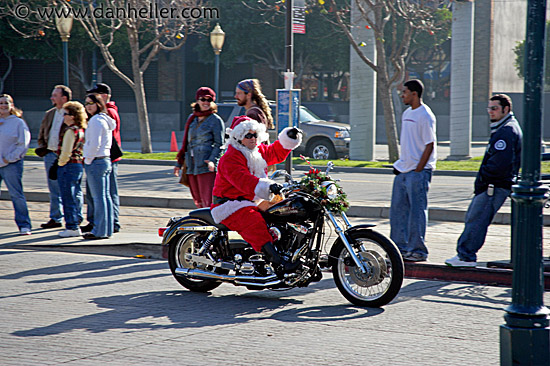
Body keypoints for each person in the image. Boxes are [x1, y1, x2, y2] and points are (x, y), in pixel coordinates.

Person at [210, 115, 302, 272]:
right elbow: (244, 181)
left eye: (255, 135)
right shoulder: (230, 157)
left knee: (287, 209)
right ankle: (276, 261)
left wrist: (289, 138)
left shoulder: (256, 151)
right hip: (231, 203)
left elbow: (274, 152)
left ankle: (289, 250)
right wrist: (269, 186)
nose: (253, 139)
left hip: (254, 198)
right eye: (248, 135)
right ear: (239, 137)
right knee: (253, 221)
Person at [445, 94, 522, 267]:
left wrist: (483, 181)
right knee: (474, 218)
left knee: (476, 219)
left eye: (494, 108)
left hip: (493, 186)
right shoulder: (505, 128)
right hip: (493, 185)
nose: (490, 112)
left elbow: (499, 164)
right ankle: (465, 255)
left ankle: (466, 257)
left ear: (506, 109)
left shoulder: (506, 131)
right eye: (489, 108)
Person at [390, 79, 437, 262]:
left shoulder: (425, 115)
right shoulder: (407, 113)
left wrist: (418, 169)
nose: (402, 95)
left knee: (417, 212)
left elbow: (430, 144)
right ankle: (398, 249)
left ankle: (418, 250)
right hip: (403, 170)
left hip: (418, 172)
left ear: (415, 94)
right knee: (398, 211)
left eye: (405, 92)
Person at [81, 83, 122, 233]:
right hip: (105, 159)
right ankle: (106, 228)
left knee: (101, 197)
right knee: (105, 196)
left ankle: (102, 228)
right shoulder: (105, 116)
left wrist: (88, 160)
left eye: (92, 102)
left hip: (99, 159)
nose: (88, 106)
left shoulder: (98, 119)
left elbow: (94, 143)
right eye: (86, 103)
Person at [174, 87, 225, 208]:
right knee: (197, 199)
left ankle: (210, 224)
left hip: (206, 165)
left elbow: (220, 144)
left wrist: (213, 160)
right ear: (197, 100)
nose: (206, 102)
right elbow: (186, 143)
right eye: (203, 99)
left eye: (209, 100)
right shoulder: (192, 118)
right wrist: (179, 163)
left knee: (208, 200)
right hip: (191, 164)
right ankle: (201, 223)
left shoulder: (215, 120)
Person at [37, 85, 72, 229]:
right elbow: (43, 130)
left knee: (70, 188)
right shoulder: (50, 113)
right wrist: (42, 147)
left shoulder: (73, 112)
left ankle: (75, 218)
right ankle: (56, 218)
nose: (51, 98)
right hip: (50, 155)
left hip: (67, 156)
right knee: (54, 189)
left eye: (55, 95)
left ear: (64, 98)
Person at [0, 94, 32, 235]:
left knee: (16, 194)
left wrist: (10, 158)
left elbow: (23, 143)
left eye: (6, 103)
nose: (3, 106)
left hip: (10, 164)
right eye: (0, 103)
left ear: (12, 105)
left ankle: (24, 225)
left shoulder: (18, 123)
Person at [56, 101, 87, 238]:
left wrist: (60, 164)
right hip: (78, 164)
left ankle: (72, 226)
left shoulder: (70, 131)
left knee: (67, 197)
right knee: (75, 195)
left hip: (68, 165)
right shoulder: (80, 130)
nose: (63, 116)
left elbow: (66, 152)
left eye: (66, 114)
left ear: (73, 116)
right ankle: (76, 221)